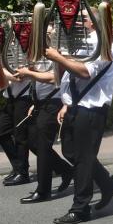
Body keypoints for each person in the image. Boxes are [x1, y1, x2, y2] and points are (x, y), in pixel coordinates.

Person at [47, 6, 113, 224]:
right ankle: (106, 184)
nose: (79, 21)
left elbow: (84, 72)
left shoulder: (104, 44)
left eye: (84, 18)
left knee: (82, 159)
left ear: (95, 23)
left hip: (92, 109)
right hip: (76, 107)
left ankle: (80, 209)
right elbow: (70, 76)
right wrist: (66, 103)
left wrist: (57, 57)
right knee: (70, 152)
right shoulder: (83, 43)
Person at [15, 64, 73, 202]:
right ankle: (66, 170)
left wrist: (29, 73)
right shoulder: (40, 51)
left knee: (42, 145)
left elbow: (55, 77)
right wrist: (36, 102)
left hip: (55, 101)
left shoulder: (55, 48)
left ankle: (43, 191)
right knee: (32, 142)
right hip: (43, 101)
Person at [0, 68, 32, 186]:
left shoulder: (25, 54)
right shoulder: (5, 55)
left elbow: (18, 77)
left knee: (20, 137)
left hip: (24, 98)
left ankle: (22, 173)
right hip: (10, 98)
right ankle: (18, 167)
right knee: (0, 132)